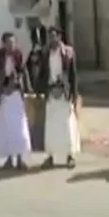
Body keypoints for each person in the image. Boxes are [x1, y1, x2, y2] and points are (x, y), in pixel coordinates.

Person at [40, 26, 81, 168]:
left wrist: (74, 94)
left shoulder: (68, 53)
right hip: (51, 93)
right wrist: (42, 90)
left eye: (54, 36)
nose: (52, 39)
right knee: (51, 126)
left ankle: (70, 155)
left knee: (67, 125)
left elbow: (73, 75)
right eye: (50, 36)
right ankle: (50, 156)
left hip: (64, 93)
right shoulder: (45, 53)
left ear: (59, 37)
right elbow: (42, 74)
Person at [0, 32, 33, 169]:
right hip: (3, 94)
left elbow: (23, 73)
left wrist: (25, 87)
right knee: (5, 127)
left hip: (15, 94)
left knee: (19, 126)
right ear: (4, 44)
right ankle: (9, 159)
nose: (11, 45)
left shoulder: (18, 56)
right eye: (8, 43)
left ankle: (20, 158)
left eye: (13, 43)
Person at [26, 43, 46, 151]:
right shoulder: (29, 67)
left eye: (36, 55)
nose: (34, 57)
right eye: (33, 55)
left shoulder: (44, 66)